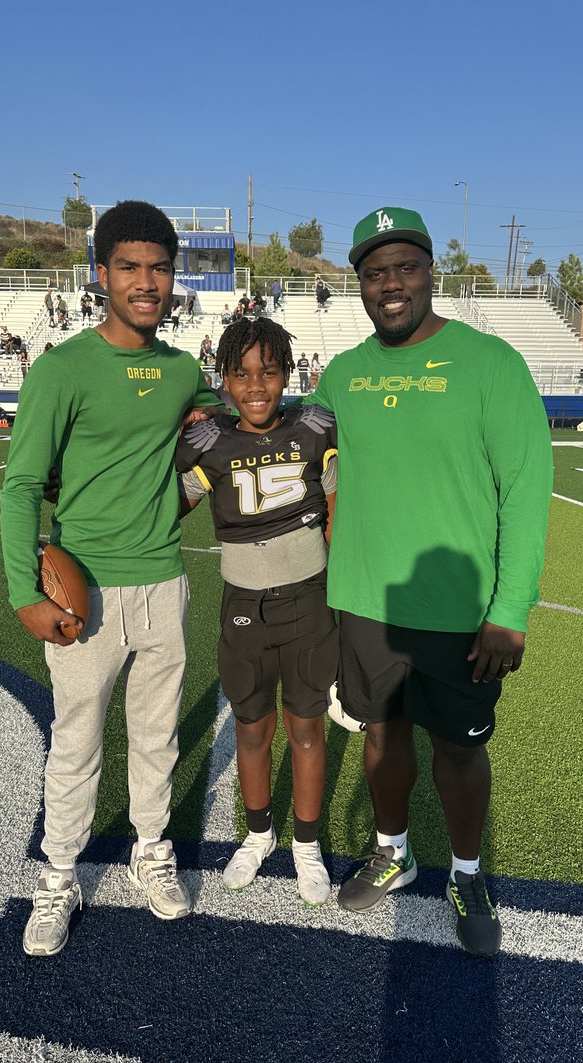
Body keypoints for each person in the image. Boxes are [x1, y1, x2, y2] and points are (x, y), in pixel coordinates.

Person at [310, 206, 552, 958]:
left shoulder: (492, 363)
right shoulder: (342, 375)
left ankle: (468, 874)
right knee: (382, 736)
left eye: (405, 268)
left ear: (430, 273)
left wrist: (510, 610)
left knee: (460, 749)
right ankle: (394, 852)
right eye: (374, 273)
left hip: (460, 613)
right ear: (359, 285)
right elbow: (291, 447)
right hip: (365, 603)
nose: (390, 285)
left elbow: (526, 492)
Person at [0, 199, 220, 957]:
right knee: (76, 741)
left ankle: (149, 849)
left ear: (174, 276)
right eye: (129, 267)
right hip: (83, 589)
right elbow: (20, 486)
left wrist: (194, 461)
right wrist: (23, 593)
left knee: (157, 736)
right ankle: (59, 873)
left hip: (163, 581)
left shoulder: (183, 371)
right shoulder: (62, 368)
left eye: (159, 268)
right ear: (101, 274)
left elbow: (213, 429)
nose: (145, 282)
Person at [175, 317, 338, 905]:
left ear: (287, 374)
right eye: (241, 374)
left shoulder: (315, 428)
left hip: (309, 597)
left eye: (268, 372)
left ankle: (307, 845)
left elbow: (337, 509)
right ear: (223, 379)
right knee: (252, 727)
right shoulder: (208, 443)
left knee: (306, 726)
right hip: (243, 601)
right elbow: (168, 507)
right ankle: (260, 833)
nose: (256, 385)